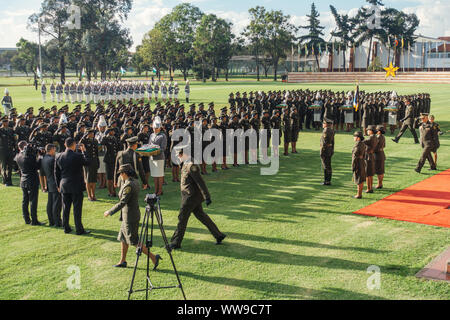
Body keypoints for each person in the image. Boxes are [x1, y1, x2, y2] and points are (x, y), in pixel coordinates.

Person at [104, 164, 162, 269]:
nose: (120, 176)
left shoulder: (129, 185)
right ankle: (122, 261)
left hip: (130, 216)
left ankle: (153, 257)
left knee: (134, 241)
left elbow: (122, 202)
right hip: (129, 215)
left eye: (120, 174)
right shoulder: (133, 181)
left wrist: (110, 211)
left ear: (124, 173)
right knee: (123, 238)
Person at [169, 144, 226, 250]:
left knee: (182, 218)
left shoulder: (191, 165)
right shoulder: (186, 163)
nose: (178, 157)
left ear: (184, 154)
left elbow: (200, 181)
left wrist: (207, 196)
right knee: (202, 216)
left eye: (179, 155)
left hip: (190, 197)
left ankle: (175, 242)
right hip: (191, 196)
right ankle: (218, 235)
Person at [55, 138, 91, 235]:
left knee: (66, 207)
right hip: (76, 185)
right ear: (74, 144)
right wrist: (84, 152)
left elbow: (56, 172)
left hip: (64, 184)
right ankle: (79, 229)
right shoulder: (77, 156)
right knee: (77, 208)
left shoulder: (59, 156)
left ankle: (66, 227)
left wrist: (58, 184)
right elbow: (88, 162)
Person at [14, 141, 43, 225]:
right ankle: (34, 220)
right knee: (33, 201)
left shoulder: (18, 156)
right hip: (32, 180)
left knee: (25, 200)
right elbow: (37, 166)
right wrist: (40, 156)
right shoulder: (30, 156)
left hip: (23, 180)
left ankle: (26, 219)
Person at [41, 144, 62, 227]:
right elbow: (57, 172)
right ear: (51, 149)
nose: (55, 151)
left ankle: (51, 221)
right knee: (57, 204)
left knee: (50, 203)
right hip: (55, 183)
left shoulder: (44, 158)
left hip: (49, 183)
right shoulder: (53, 160)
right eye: (54, 149)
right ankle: (57, 222)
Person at [148, 117, 167, 196]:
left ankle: (160, 190)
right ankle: (156, 190)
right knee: (155, 175)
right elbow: (149, 144)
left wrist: (155, 150)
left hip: (159, 157)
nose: (155, 129)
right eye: (154, 128)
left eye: (156, 128)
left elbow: (163, 148)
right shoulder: (151, 135)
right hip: (152, 157)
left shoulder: (163, 136)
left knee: (159, 175)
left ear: (159, 128)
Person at [320, 118, 335, 186]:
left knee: (326, 166)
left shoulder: (326, 131)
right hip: (329, 150)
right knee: (328, 166)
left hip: (325, 150)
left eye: (324, 123)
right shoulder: (331, 130)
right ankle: (328, 180)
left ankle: (327, 181)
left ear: (326, 124)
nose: (323, 124)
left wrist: (322, 150)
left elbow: (325, 142)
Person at [352, 131, 366, 199]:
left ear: (358, 138)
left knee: (359, 178)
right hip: (362, 161)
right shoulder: (363, 144)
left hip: (358, 162)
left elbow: (355, 156)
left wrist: (353, 166)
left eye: (355, 137)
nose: (354, 138)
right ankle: (359, 193)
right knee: (361, 178)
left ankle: (359, 194)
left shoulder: (357, 145)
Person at [364, 125, 378, 193]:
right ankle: (370, 187)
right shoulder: (375, 137)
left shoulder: (370, 138)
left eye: (368, 130)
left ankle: (369, 188)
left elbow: (363, 141)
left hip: (368, 156)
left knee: (368, 174)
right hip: (371, 155)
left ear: (371, 131)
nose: (367, 131)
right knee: (370, 174)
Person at [374, 125, 386, 190]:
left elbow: (375, 147)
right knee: (381, 170)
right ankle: (380, 183)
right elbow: (384, 146)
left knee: (379, 171)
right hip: (381, 153)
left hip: (378, 155)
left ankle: (379, 184)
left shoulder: (378, 138)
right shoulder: (383, 137)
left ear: (379, 131)